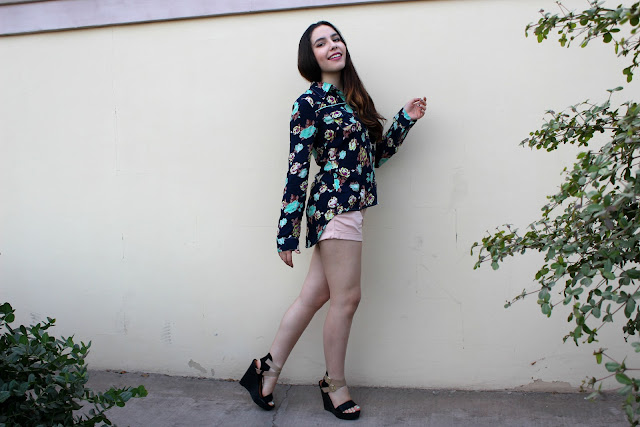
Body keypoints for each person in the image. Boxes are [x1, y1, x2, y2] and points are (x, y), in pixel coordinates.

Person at [240, 20, 427, 421]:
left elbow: (371, 160)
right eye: (321, 43)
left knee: (314, 297)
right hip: (333, 208)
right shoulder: (309, 103)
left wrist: (404, 120)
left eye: (336, 39)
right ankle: (334, 385)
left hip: (350, 207)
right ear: (311, 57)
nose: (332, 46)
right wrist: (286, 233)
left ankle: (265, 371)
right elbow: (297, 169)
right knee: (347, 299)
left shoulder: (352, 101)